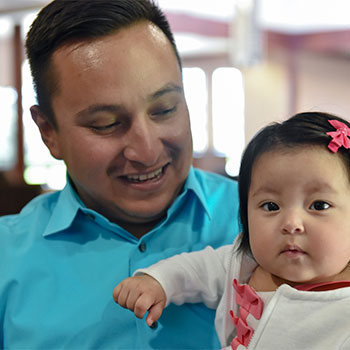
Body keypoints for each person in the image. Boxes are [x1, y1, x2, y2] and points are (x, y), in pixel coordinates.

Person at [0, 0, 241, 349]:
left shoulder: (264, 222)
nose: (146, 151)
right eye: (106, 124)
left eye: (164, 109)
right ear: (48, 132)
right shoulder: (7, 259)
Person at [114, 111, 350, 350]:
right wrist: (159, 281)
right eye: (271, 206)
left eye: (319, 205)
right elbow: (198, 268)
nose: (291, 223)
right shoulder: (244, 261)